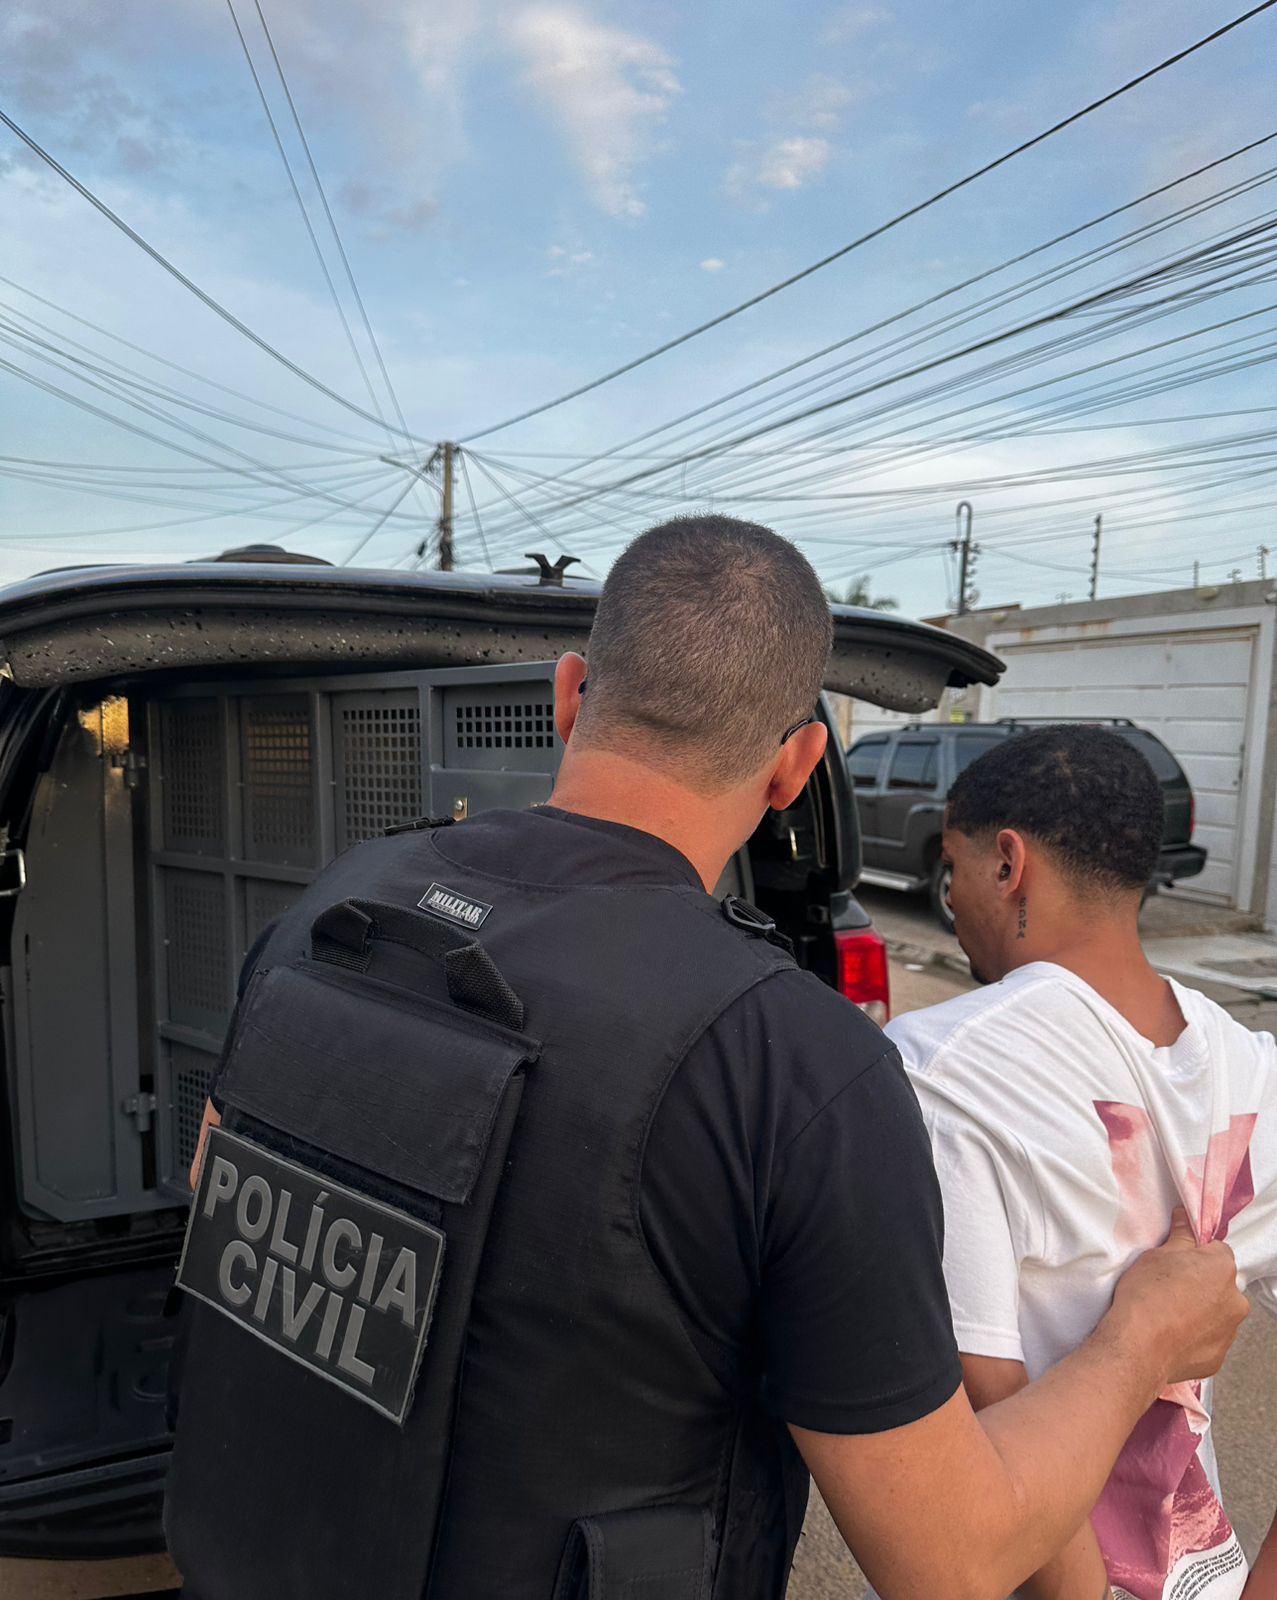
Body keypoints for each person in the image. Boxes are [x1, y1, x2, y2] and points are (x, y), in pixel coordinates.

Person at [166, 518, 1246, 1600]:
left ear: (569, 694)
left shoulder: (335, 901)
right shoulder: (789, 1065)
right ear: (796, 766)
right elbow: (949, 1560)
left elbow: (226, 1193)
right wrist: (1137, 1343)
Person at [887, 724, 1277, 1600]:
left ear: (1007, 864)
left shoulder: (939, 1069)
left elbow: (979, 1393)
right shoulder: (1254, 1069)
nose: (951, 902)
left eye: (952, 867)